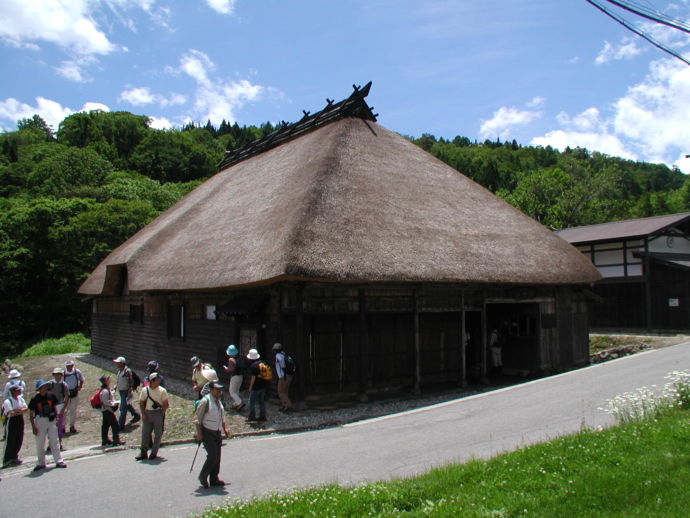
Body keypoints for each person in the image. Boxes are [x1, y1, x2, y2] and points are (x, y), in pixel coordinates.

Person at [193, 381, 229, 488]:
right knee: (212, 456)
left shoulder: (219, 402)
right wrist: (199, 434)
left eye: (220, 389)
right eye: (217, 389)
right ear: (211, 390)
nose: (219, 391)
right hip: (208, 432)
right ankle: (203, 476)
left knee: (217, 457)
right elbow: (197, 419)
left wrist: (225, 429)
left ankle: (214, 478)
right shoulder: (205, 401)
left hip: (217, 432)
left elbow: (222, 417)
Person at [28, 379, 66, 471]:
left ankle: (58, 461)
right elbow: (31, 414)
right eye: (42, 387)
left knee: (54, 441)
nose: (44, 389)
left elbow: (55, 408)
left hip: (51, 420)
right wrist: (33, 427)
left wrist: (57, 418)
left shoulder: (51, 396)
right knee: (40, 443)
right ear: (39, 389)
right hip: (40, 420)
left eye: (45, 387)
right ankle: (41, 463)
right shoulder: (34, 399)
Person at [135, 372, 169, 461]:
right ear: (152, 381)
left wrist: (162, 413)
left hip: (157, 413)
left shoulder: (162, 390)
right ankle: (143, 452)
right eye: (157, 379)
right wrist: (143, 413)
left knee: (158, 434)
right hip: (147, 412)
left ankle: (154, 453)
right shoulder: (145, 390)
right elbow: (141, 402)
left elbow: (166, 404)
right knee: (145, 433)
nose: (159, 380)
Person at [2, 385, 27, 467]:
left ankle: (14, 457)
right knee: (10, 439)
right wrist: (20, 411)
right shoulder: (8, 401)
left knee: (19, 438)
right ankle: (6, 459)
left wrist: (17, 411)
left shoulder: (20, 399)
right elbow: (11, 413)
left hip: (19, 419)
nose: (20, 391)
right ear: (13, 392)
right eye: (18, 390)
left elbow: (25, 408)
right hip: (11, 421)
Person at [113, 356, 140, 429]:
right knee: (126, 405)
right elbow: (119, 380)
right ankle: (136, 414)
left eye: (118, 362)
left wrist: (129, 392)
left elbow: (130, 382)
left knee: (122, 408)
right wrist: (115, 386)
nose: (116, 364)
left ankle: (120, 425)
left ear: (122, 363)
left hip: (125, 391)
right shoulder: (120, 371)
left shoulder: (127, 371)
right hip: (121, 391)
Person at [98, 374, 124, 447]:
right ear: (105, 381)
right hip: (108, 410)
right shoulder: (105, 391)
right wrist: (114, 404)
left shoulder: (105, 390)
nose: (109, 380)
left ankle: (105, 440)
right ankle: (116, 439)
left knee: (105, 425)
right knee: (115, 425)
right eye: (108, 379)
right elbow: (106, 401)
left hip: (105, 410)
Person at [47, 368, 69, 450]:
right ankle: (50, 443)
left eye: (59, 374)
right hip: (52, 407)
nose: (57, 376)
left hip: (60, 407)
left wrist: (64, 407)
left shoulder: (64, 385)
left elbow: (66, 397)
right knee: (51, 426)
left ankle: (59, 442)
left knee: (59, 426)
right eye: (56, 374)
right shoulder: (50, 384)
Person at [2, 369, 26, 440]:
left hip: (11, 401)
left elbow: (5, 394)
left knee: (7, 418)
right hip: (20, 401)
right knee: (20, 417)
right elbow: (23, 391)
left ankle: (7, 433)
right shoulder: (22, 383)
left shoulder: (8, 384)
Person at [246, 349, 268, 422]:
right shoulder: (263, 363)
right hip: (263, 386)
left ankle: (252, 416)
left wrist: (250, 386)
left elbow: (253, 378)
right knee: (261, 401)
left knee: (251, 401)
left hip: (256, 387)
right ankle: (263, 416)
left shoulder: (253, 366)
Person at [63, 359, 85, 433]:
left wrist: (80, 387)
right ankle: (63, 426)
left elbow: (82, 379)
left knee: (73, 410)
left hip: (74, 393)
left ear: (72, 365)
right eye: (67, 366)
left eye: (70, 366)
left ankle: (72, 425)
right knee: (64, 411)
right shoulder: (63, 373)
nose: (69, 367)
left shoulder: (77, 372)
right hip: (66, 394)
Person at [222, 345, 245, 410]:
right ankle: (236, 404)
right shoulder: (239, 358)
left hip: (234, 377)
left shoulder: (231, 359)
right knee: (236, 391)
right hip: (240, 376)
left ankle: (240, 402)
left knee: (231, 391)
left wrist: (226, 368)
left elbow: (230, 370)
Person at [273, 343, 294, 412]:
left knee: (281, 392)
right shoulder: (283, 354)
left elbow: (283, 366)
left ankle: (289, 405)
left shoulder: (278, 356)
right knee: (285, 391)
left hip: (283, 376)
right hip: (288, 375)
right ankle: (285, 405)